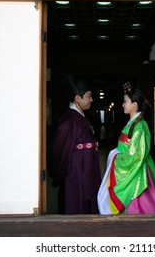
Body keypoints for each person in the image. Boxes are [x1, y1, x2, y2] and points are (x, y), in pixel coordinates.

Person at [98, 82, 155, 214]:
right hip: (134, 167)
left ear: (134, 105)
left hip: (137, 170)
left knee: (136, 206)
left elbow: (135, 156)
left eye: (125, 101)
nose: (123, 104)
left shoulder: (140, 127)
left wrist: (116, 156)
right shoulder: (133, 123)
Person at [50, 74, 101, 214]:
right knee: (75, 202)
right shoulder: (68, 121)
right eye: (89, 96)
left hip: (86, 168)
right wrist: (60, 172)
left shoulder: (80, 116)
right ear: (77, 98)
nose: (92, 99)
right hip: (75, 172)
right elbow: (58, 150)